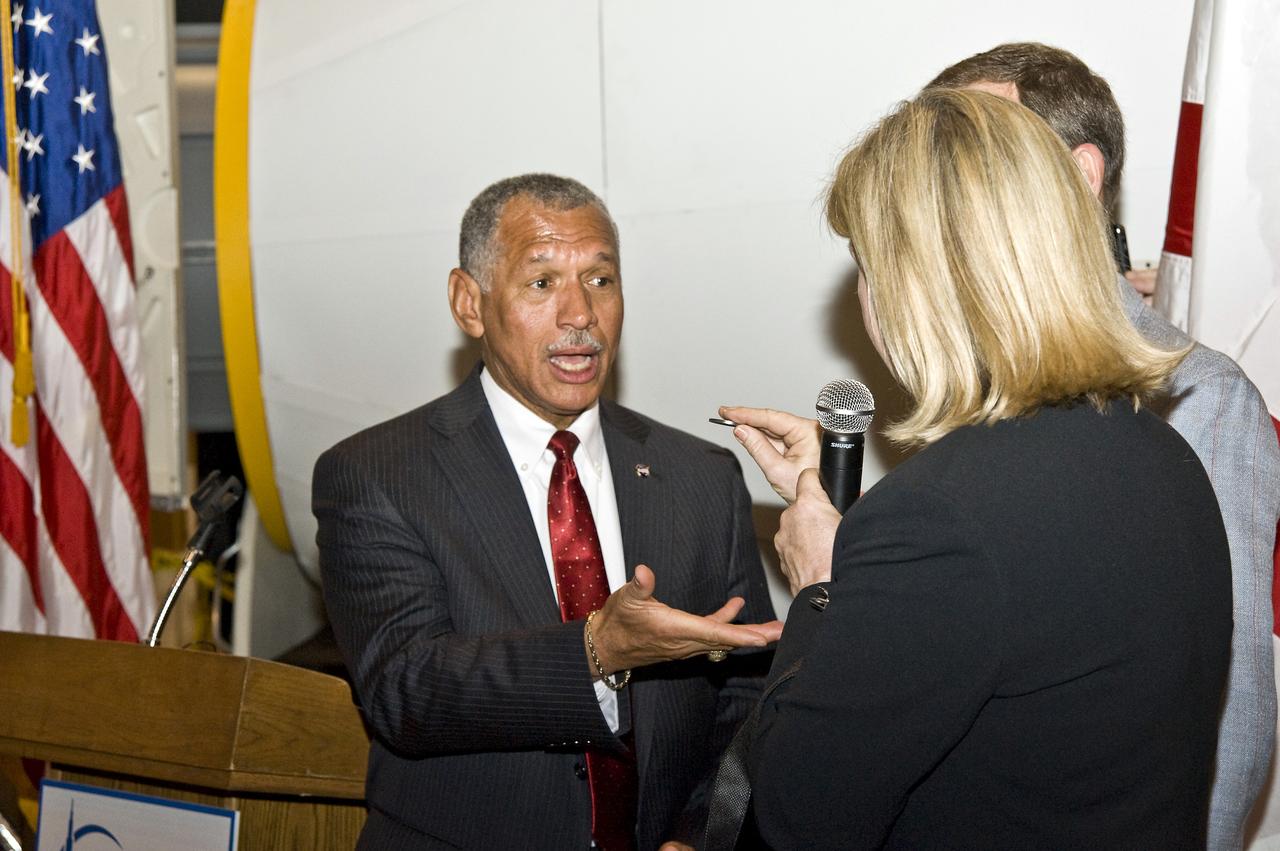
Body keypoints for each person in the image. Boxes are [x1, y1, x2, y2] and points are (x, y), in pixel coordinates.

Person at [732, 89, 1231, 848]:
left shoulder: (939, 517)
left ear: (915, 283)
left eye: (867, 264)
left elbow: (798, 819)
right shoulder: (1163, 454)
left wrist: (822, 589)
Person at [313, 173, 780, 850]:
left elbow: (743, 697)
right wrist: (594, 650)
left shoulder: (700, 476)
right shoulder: (379, 474)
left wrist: (698, 831)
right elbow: (406, 690)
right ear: (468, 302)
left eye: (601, 280)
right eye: (542, 283)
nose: (579, 315)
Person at [923, 44, 1279, 850]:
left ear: (1080, 174)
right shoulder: (965, 387)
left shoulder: (1200, 396)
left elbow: (1231, 716)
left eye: (983, 152)